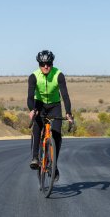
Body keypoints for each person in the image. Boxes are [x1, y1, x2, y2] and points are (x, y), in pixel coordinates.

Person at [27, 50, 73, 181]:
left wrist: (69, 113)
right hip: (39, 104)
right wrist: (32, 110)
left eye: (49, 63)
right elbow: (30, 96)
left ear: (52, 63)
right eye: (43, 63)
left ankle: (54, 165)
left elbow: (65, 96)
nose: (46, 66)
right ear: (39, 64)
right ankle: (35, 157)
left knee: (57, 134)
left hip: (55, 105)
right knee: (37, 126)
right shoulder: (33, 76)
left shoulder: (59, 75)